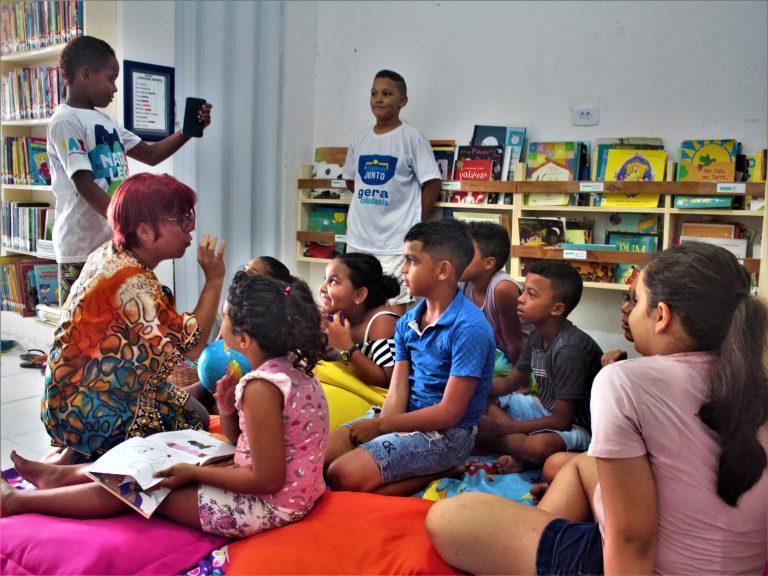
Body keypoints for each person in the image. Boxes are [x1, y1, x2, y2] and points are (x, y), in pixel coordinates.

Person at [426, 242, 768, 575]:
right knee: (574, 466)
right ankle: (540, 529)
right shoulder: (754, 379)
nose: (626, 309)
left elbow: (633, 539)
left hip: (646, 563)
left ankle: (536, 538)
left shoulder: (623, 380)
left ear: (660, 316)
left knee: (448, 517)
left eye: (633, 300)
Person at [3, 272, 330, 539]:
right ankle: (59, 477)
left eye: (225, 319)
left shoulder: (262, 387)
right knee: (144, 453)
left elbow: (266, 480)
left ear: (244, 340)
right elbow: (242, 442)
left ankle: (18, 501)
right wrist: (227, 409)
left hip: (269, 506)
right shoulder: (292, 370)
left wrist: (190, 473)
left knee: (135, 486)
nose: (220, 326)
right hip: (291, 494)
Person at [40, 173, 225, 464]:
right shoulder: (132, 284)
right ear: (145, 231)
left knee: (193, 407)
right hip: (90, 409)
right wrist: (214, 280)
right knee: (194, 421)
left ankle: (75, 451)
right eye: (179, 221)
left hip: (68, 400)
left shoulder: (110, 254)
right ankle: (82, 462)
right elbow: (192, 348)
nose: (190, 231)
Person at [324, 219, 496, 496]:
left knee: (341, 476)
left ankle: (446, 469)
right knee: (315, 460)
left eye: (411, 261)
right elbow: (397, 392)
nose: (402, 270)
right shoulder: (407, 322)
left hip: (448, 434)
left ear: (443, 270)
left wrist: (382, 427)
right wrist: (382, 429)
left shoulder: (469, 328)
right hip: (403, 417)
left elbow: (449, 413)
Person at [47, 35, 213, 304]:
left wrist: (188, 131)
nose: (114, 88)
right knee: (80, 325)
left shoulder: (106, 121)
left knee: (114, 320)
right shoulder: (65, 121)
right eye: (111, 78)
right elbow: (84, 184)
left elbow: (150, 154)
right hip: (80, 248)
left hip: (113, 241)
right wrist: (126, 224)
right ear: (86, 74)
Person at [477, 261, 603, 473]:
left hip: (577, 425)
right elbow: (510, 382)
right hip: (543, 408)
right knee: (477, 403)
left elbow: (562, 421)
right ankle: (518, 449)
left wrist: (504, 427)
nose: (520, 299)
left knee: (536, 447)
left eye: (532, 294)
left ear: (557, 309)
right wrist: (473, 388)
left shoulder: (569, 350)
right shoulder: (537, 335)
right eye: (523, 290)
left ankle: (524, 452)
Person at [342, 69, 442, 310]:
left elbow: (432, 182)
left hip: (395, 244)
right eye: (374, 93)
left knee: (394, 308)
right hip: (359, 240)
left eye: (387, 94)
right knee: (353, 304)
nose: (378, 99)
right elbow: (350, 180)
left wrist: (415, 223)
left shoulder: (411, 138)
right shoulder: (360, 140)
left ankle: (390, 349)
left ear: (402, 101)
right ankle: (357, 349)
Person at [319, 252, 401, 388]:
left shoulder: (382, 321)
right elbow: (343, 362)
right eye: (325, 279)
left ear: (359, 294)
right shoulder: (338, 317)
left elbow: (388, 382)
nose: (322, 288)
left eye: (333, 281)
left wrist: (346, 348)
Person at [460, 221, 531, 365]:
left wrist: (515, 385)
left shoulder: (502, 289)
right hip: (497, 355)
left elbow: (514, 345)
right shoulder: (463, 282)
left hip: (524, 363)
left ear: (489, 263)